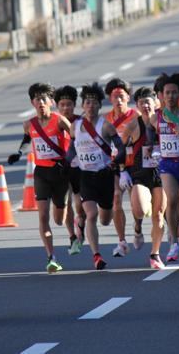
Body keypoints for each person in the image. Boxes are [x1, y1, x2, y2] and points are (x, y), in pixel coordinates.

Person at [7, 83, 79, 273]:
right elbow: (26, 140)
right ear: (32, 102)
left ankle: (73, 236)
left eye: (44, 99)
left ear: (50, 102)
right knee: (43, 216)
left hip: (60, 172)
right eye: (37, 99)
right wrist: (18, 153)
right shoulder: (29, 124)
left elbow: (76, 138)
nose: (41, 102)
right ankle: (51, 257)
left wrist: (69, 159)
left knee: (59, 218)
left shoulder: (60, 120)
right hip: (41, 173)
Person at [68, 83, 126, 270]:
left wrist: (117, 159)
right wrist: (64, 162)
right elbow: (71, 150)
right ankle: (97, 255)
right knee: (91, 214)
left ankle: (97, 223)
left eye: (94, 103)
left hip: (105, 176)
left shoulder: (106, 126)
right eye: (87, 102)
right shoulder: (75, 127)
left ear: (100, 105)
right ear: (82, 106)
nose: (90, 106)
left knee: (105, 219)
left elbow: (121, 147)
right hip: (86, 176)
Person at [150, 72, 179, 263]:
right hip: (167, 164)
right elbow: (150, 138)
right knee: (172, 199)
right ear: (161, 95)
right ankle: (173, 242)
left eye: (174, 92)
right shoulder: (155, 118)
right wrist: (150, 151)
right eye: (167, 93)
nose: (170, 96)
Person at [120, 87, 167, 269]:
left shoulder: (165, 120)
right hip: (140, 172)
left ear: (155, 102)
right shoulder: (133, 125)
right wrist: (123, 170)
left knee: (158, 215)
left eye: (148, 101)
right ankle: (137, 227)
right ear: (137, 106)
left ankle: (155, 254)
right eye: (141, 103)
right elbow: (119, 149)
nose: (145, 105)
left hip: (161, 172)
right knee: (139, 209)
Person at [104, 78, 139, 258]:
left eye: (122, 96)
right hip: (115, 166)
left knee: (136, 205)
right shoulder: (106, 119)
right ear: (110, 99)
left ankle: (138, 228)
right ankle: (122, 241)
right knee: (116, 199)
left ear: (128, 97)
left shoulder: (136, 116)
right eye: (115, 96)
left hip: (134, 165)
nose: (118, 100)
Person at [55, 85, 85, 245]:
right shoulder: (54, 122)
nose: (66, 108)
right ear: (57, 106)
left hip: (80, 167)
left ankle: (80, 223)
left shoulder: (81, 122)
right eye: (62, 105)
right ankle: (72, 236)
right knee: (65, 203)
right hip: (61, 168)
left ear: (74, 105)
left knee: (80, 206)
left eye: (69, 104)